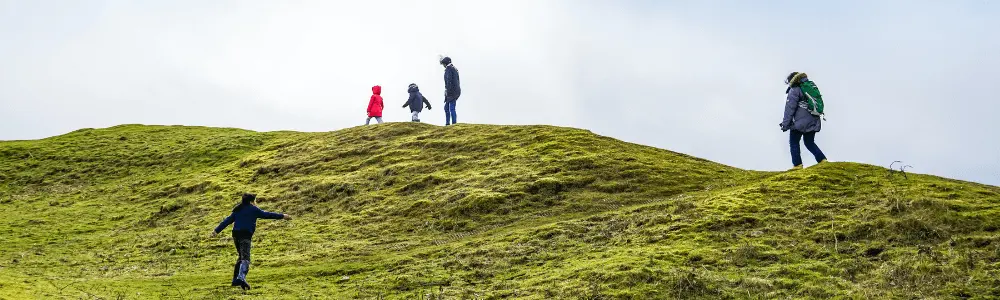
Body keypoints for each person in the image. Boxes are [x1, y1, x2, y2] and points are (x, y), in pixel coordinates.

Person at [212, 193, 292, 290]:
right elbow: (267, 215)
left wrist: (216, 230)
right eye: (255, 201)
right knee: (246, 258)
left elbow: (227, 220)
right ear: (251, 201)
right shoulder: (253, 209)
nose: (255, 203)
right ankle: (240, 278)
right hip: (245, 235)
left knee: (241, 256)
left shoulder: (238, 209)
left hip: (236, 235)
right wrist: (283, 216)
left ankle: (235, 280)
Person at [780, 72, 828, 170]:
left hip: (798, 123)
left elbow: (790, 109)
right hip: (813, 120)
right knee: (809, 142)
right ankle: (822, 160)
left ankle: (797, 165)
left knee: (794, 142)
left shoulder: (794, 90)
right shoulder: (809, 88)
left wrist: (785, 124)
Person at [440, 56, 461, 125]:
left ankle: (451, 123)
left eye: (443, 64)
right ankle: (450, 123)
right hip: (455, 91)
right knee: (448, 107)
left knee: (450, 108)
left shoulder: (449, 69)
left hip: (451, 92)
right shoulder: (454, 69)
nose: (443, 65)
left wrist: (447, 92)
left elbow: (449, 81)